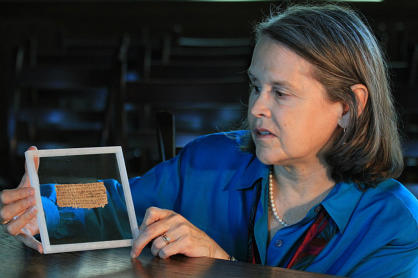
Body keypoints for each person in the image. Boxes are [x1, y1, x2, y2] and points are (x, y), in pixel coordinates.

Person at [1, 4, 417, 277]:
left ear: (347, 106)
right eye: (256, 86)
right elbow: (112, 204)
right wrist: (45, 208)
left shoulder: (398, 226)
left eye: (281, 93)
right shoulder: (207, 160)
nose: (256, 107)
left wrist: (225, 269)